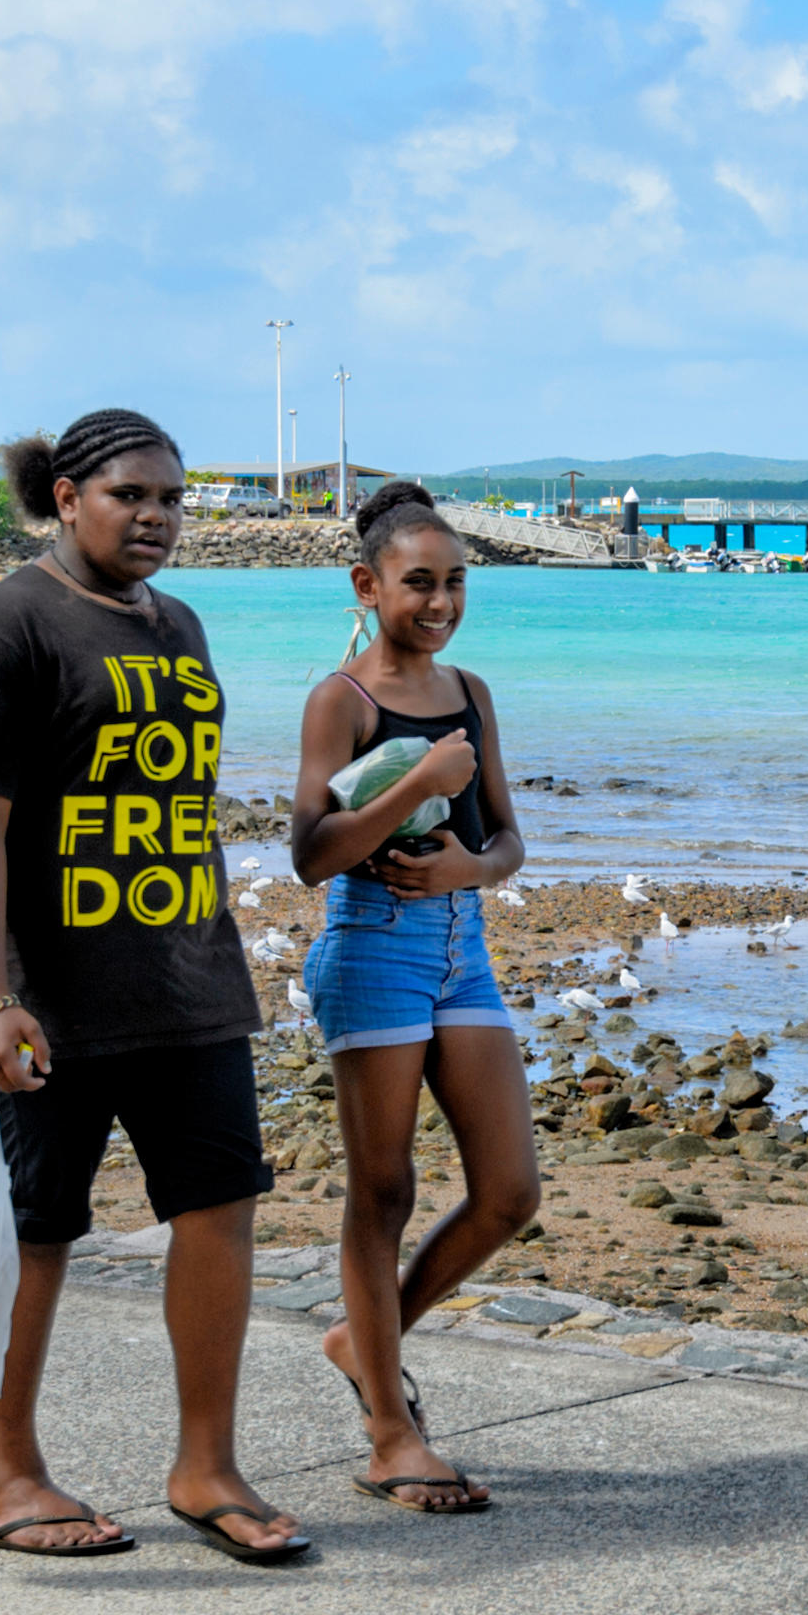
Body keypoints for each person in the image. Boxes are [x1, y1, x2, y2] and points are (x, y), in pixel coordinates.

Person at [0, 410, 309, 1566]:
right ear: (67, 494)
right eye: (132, 494)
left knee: (220, 1207)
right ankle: (5, 1470)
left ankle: (206, 1465)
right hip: (49, 994)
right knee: (36, 1232)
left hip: (186, 977)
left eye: (173, 499)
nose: (156, 516)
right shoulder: (4, 625)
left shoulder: (177, 622)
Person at [292, 478, 536, 1513]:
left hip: (459, 947)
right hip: (373, 948)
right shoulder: (340, 700)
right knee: (382, 1193)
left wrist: (467, 871)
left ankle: (365, 1338)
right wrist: (414, 787)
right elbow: (309, 854)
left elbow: (509, 838)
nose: (439, 602)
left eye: (455, 582)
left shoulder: (472, 692)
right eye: (418, 582)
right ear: (368, 583)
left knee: (509, 1190)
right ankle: (392, 1433)